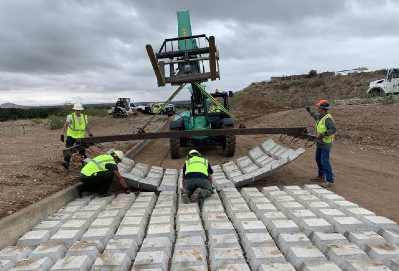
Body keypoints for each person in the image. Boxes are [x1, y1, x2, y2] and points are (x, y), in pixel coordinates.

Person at [306, 100, 337, 187]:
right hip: (320, 142)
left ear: (322, 108)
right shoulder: (321, 117)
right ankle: (321, 176)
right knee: (318, 159)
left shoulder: (327, 119)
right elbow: (315, 116)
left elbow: (333, 130)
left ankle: (330, 180)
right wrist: (309, 111)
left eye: (318, 107)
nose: (317, 108)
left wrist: (323, 134)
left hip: (325, 143)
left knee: (324, 161)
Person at [60, 103, 93, 169]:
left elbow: (86, 126)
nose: (78, 111)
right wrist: (62, 134)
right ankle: (66, 162)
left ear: (81, 110)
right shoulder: (70, 116)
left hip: (80, 136)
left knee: (82, 149)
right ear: (74, 110)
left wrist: (90, 134)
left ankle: (84, 162)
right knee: (69, 148)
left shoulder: (84, 117)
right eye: (76, 110)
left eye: (79, 110)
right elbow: (65, 125)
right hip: (71, 135)